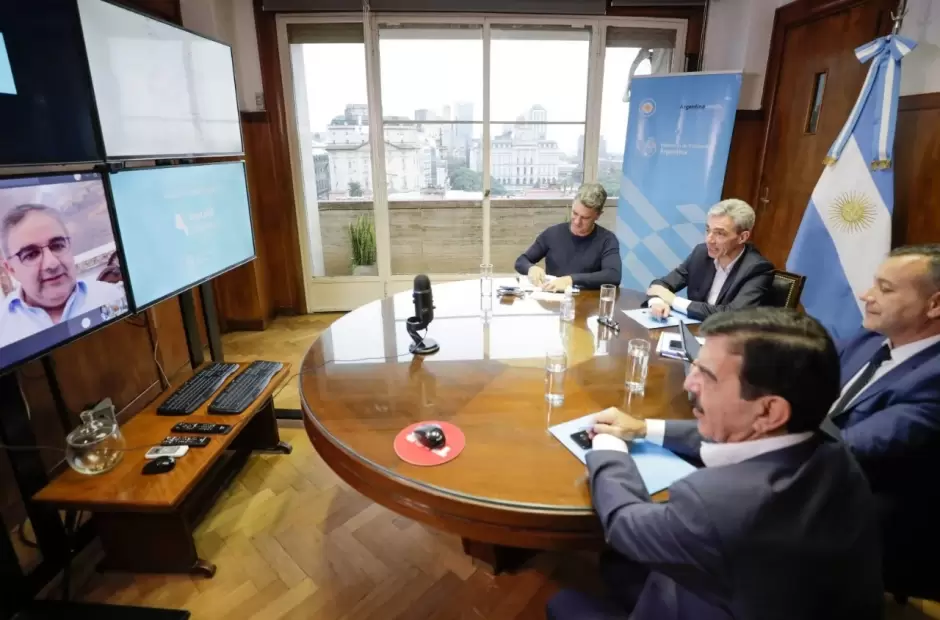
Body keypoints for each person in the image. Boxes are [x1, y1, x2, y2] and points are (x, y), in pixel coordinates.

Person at [547, 308, 883, 620]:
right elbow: (732, 430)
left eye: (707, 375)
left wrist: (608, 449)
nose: (688, 384)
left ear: (768, 410)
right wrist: (644, 427)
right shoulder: (829, 444)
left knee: (561, 601)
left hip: (717, 603)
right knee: (617, 568)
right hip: (765, 591)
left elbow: (624, 523)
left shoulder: (714, 503)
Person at [825, 244, 940, 598]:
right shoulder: (871, 337)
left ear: (934, 305)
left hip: (875, 509)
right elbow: (807, 371)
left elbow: (855, 446)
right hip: (825, 471)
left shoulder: (933, 378)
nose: (866, 295)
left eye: (884, 289)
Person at [0, 204, 123, 347]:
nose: (52, 263)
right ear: (11, 269)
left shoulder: (111, 296)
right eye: (31, 254)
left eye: (57, 245)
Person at [646, 199, 773, 320]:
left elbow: (733, 315)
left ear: (742, 237)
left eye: (720, 233)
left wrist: (673, 300)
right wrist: (657, 302)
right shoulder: (701, 254)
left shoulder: (757, 269)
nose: (709, 240)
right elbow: (661, 285)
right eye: (708, 230)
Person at [514, 182, 620, 292]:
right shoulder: (552, 234)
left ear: (598, 215)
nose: (577, 222)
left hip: (589, 304)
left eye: (585, 218)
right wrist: (531, 268)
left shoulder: (607, 240)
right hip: (554, 302)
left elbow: (613, 276)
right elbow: (521, 261)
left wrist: (570, 280)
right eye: (574, 213)